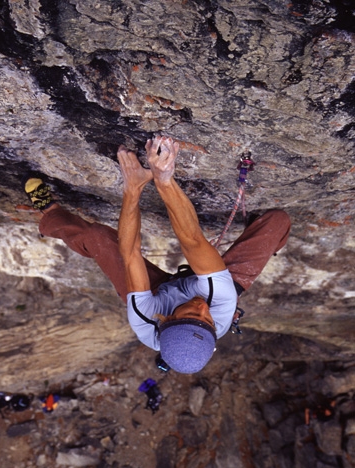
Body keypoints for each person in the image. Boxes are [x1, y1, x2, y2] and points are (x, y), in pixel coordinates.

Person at [24, 135, 291, 374]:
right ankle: (263, 242)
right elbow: (193, 240)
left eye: (192, 315)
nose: (202, 308)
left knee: (97, 239)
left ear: (166, 318)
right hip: (218, 288)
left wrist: (133, 188)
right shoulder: (218, 306)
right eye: (206, 320)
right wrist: (164, 180)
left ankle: (51, 216)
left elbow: (130, 254)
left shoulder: (145, 319)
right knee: (277, 222)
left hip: (156, 290)